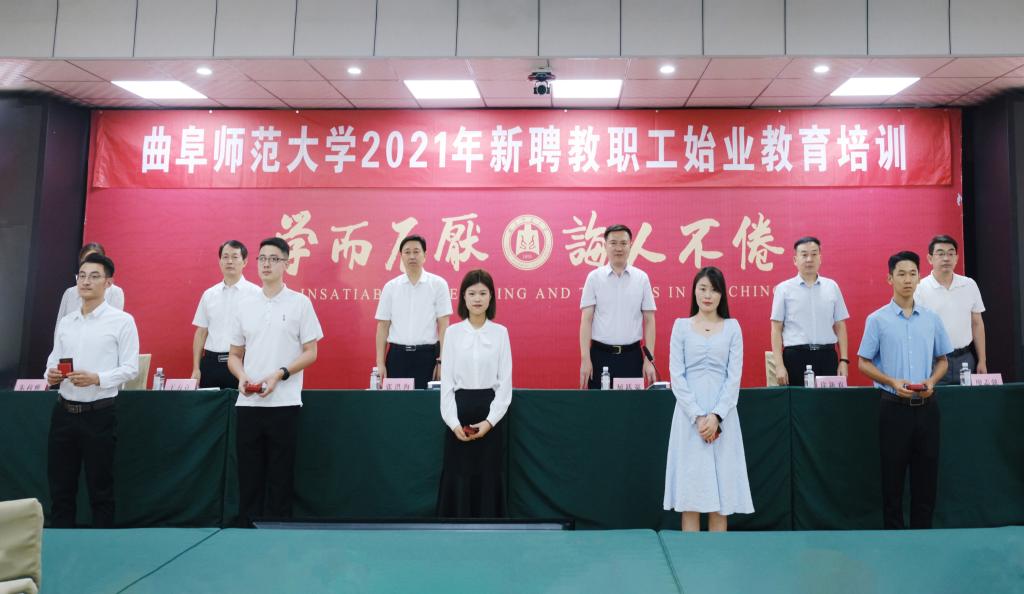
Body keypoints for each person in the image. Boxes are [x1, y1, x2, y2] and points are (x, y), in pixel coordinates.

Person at [227, 237, 323, 527]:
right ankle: (246, 528)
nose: (266, 264)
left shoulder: (300, 303)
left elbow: (311, 352)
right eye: (262, 258)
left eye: (273, 259)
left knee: (281, 474)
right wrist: (242, 376)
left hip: (285, 402)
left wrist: (280, 373)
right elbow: (234, 355)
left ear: (286, 264)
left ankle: (278, 530)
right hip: (249, 402)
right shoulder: (244, 304)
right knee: (249, 473)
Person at [858, 251, 952, 529]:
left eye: (912, 273)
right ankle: (894, 537)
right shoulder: (877, 319)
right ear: (890, 279)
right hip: (893, 407)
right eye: (901, 274)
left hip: (927, 407)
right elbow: (863, 362)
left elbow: (943, 360)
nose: (907, 279)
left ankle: (923, 536)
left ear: (919, 277)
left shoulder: (931, 319)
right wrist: (891, 381)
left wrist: (932, 381)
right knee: (892, 478)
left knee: (927, 478)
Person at [45, 253, 139, 527]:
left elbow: (130, 368)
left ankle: (102, 544)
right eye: (82, 276)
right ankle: (61, 542)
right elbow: (53, 359)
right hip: (64, 412)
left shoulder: (122, 321)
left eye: (94, 276)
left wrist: (97, 378)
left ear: (109, 283)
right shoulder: (67, 322)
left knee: (101, 488)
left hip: (99, 414)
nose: (86, 282)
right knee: (60, 488)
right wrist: (50, 374)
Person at [664, 266, 753, 531]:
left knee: (720, 498)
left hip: (724, 418)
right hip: (688, 419)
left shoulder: (732, 328)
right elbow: (677, 376)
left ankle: (717, 554)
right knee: (690, 498)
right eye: (702, 289)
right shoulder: (680, 327)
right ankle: (688, 556)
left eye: (714, 290)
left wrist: (716, 416)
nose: (707, 295)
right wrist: (698, 416)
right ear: (694, 291)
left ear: (722, 294)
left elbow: (733, 378)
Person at [437, 269, 512, 518]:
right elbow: (446, 384)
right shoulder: (452, 333)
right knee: (459, 472)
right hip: (459, 413)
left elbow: (504, 386)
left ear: (491, 297)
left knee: (489, 473)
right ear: (463, 298)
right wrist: (453, 423)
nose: (477, 298)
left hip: (491, 414)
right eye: (472, 293)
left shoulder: (501, 333)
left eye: (483, 293)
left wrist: (490, 422)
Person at [579, 224, 657, 389]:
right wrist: (585, 359)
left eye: (623, 243)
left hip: (632, 357)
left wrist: (649, 359)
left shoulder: (641, 278)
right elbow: (586, 320)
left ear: (630, 245)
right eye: (613, 243)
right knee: (599, 404)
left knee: (631, 405)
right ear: (605, 245)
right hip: (600, 356)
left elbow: (650, 320)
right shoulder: (594, 278)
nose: (618, 248)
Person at [770, 236, 851, 386]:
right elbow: (776, 329)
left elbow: (840, 326)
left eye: (814, 254)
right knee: (797, 401)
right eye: (804, 254)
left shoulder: (832, 287)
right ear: (795, 260)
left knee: (827, 400)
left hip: (827, 356)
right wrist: (779, 365)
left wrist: (844, 360)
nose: (809, 259)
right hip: (795, 357)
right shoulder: (784, 289)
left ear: (820, 258)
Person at [375, 235, 452, 389]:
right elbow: (382, 327)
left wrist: (442, 362)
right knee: (397, 402)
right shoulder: (391, 287)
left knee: (427, 402)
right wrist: (380, 363)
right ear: (401, 256)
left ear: (425, 255)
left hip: (427, 357)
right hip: (397, 357)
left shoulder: (438, 284)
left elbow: (444, 326)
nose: (412, 256)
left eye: (416, 251)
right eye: (407, 252)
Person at [914, 234, 987, 384]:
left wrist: (982, 360)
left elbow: (977, 323)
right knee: (936, 398)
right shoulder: (919, 288)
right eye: (940, 254)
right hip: (933, 360)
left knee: (965, 398)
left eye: (950, 253)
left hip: (965, 358)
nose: (946, 258)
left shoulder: (969, 284)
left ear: (956, 258)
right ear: (930, 258)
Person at [190, 240, 260, 388]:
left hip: (243, 363)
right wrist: (196, 368)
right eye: (225, 257)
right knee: (209, 403)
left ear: (245, 262)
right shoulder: (209, 295)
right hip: (211, 364)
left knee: (240, 403)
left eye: (235, 257)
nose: (229, 261)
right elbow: (201, 333)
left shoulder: (257, 294)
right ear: (220, 262)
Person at [54, 243, 125, 339]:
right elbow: (59, 328)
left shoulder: (115, 292)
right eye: (86, 260)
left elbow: (114, 326)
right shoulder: (70, 293)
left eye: (94, 260)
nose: (90, 265)